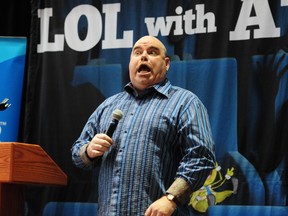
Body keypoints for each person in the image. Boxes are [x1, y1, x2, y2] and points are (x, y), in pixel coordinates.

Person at [71, 35, 216, 216]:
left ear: (167, 63)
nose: (143, 57)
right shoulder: (108, 106)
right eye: (137, 52)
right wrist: (89, 151)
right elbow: (77, 153)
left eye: (152, 52)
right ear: (131, 62)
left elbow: (202, 157)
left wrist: (171, 198)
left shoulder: (185, 102)